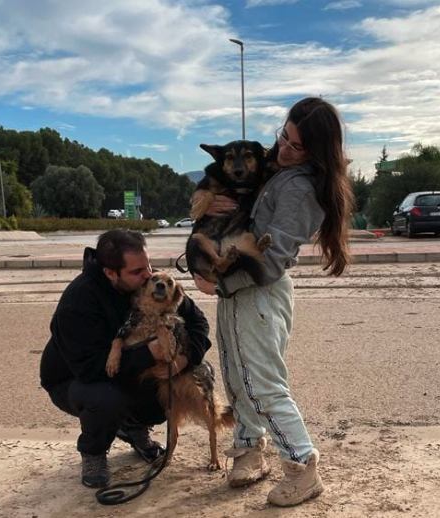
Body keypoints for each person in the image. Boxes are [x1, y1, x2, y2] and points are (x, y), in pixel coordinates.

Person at [193, 97, 353, 507]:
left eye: (297, 146)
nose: (283, 148)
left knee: (262, 385)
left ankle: (303, 467)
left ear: (316, 152)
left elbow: (275, 257)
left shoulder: (299, 188)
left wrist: (218, 280)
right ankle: (250, 448)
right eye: (284, 135)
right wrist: (213, 203)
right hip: (236, 289)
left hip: (258, 291)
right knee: (234, 373)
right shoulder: (277, 171)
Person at [40, 229, 211, 488]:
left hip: (127, 369)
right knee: (106, 398)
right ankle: (94, 452)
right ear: (111, 273)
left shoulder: (152, 286)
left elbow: (198, 324)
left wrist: (184, 361)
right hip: (74, 379)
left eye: (148, 266)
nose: (148, 276)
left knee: (179, 383)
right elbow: (89, 368)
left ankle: (133, 427)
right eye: (137, 272)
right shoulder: (79, 301)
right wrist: (148, 354)